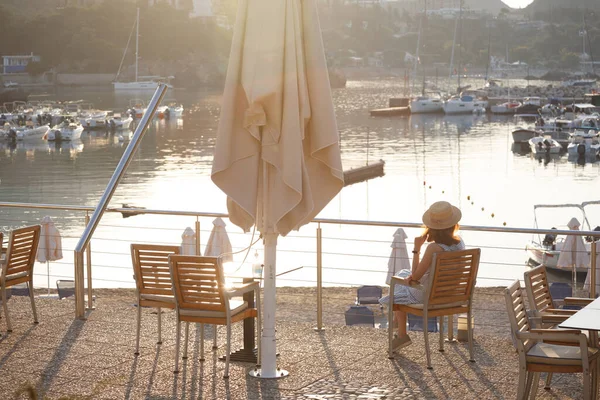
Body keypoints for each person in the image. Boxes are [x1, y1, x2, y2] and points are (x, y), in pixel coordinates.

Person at [379, 201, 465, 351]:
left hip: (429, 296)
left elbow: (415, 277)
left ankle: (401, 333)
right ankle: (397, 324)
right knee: (402, 275)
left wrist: (416, 249)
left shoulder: (433, 248)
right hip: (450, 294)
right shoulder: (460, 243)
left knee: (398, 282)